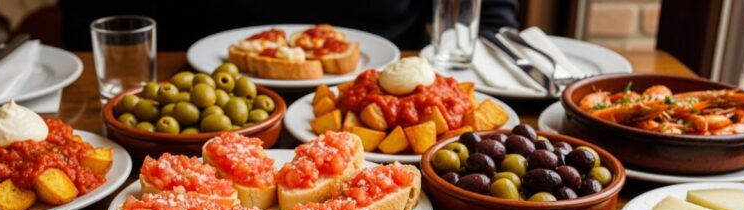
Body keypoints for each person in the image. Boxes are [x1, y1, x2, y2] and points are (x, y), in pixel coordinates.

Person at [60, 0, 518, 51]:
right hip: (184, 70)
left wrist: (488, 50)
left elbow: (489, 15)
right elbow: (92, 21)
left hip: (387, 75)